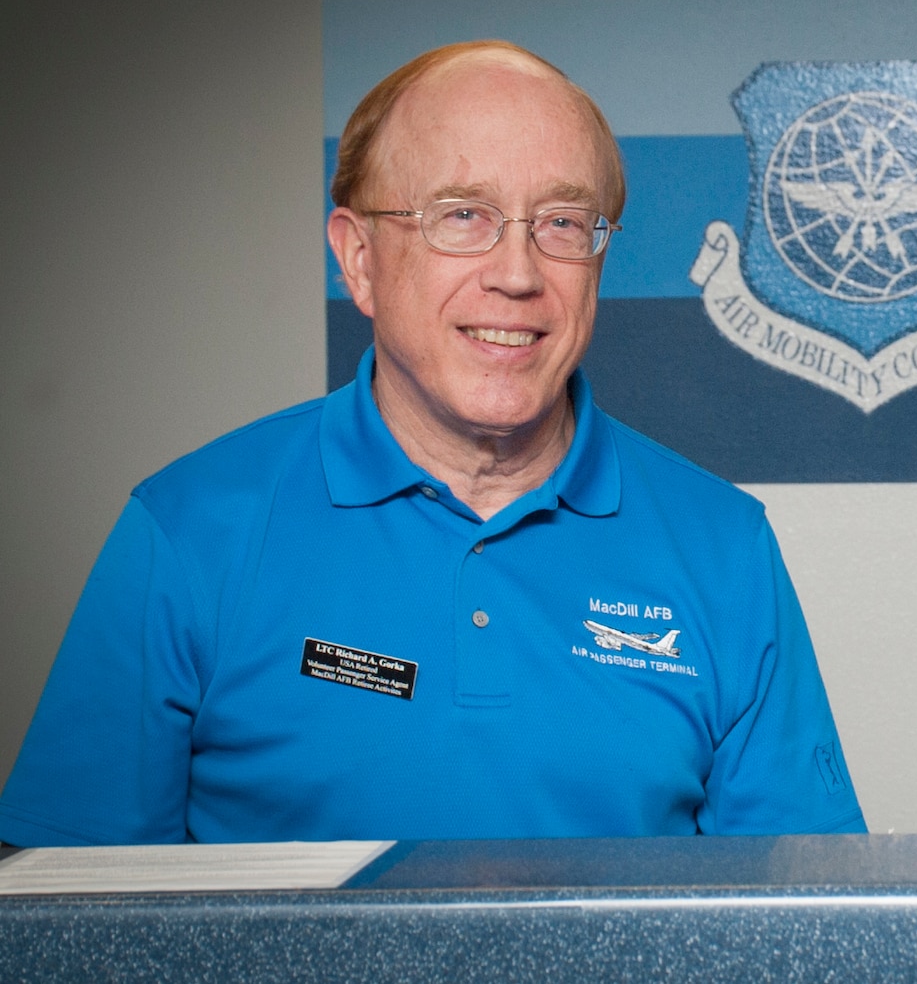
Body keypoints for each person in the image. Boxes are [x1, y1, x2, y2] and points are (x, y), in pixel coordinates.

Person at [0, 41, 866, 844]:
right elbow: (61, 927)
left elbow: (800, 928)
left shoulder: (724, 547)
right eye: (463, 215)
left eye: (563, 223)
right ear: (359, 259)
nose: (519, 274)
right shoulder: (188, 535)